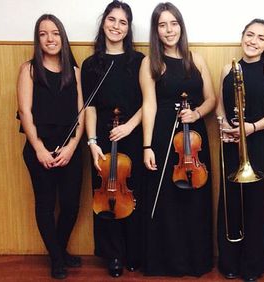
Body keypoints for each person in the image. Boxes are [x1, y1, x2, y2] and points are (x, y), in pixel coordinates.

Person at [139, 2, 216, 277]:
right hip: (163, 137)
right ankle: (166, 262)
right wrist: (147, 146)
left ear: (181, 27)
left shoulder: (196, 59)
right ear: (156, 31)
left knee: (194, 198)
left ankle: (196, 261)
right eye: (162, 25)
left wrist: (196, 113)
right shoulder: (150, 62)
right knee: (167, 201)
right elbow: (149, 105)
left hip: (193, 139)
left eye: (173, 23)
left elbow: (211, 100)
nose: (169, 30)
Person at [215, 19, 264, 282]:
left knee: (256, 204)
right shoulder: (226, 69)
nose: (253, 41)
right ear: (242, 36)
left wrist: (251, 127)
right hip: (231, 141)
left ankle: (252, 266)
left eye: (260, 38)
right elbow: (220, 106)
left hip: (259, 142)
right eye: (250, 35)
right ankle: (229, 262)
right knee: (230, 201)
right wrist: (224, 127)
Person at [17, 14, 84, 279]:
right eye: (43, 34)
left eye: (55, 33)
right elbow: (25, 112)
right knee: (45, 205)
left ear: (62, 36)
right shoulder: (30, 69)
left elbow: (82, 113)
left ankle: (59, 249)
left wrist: (71, 147)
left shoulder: (75, 71)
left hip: (70, 148)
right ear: (38, 39)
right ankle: (57, 259)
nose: (50, 38)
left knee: (70, 205)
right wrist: (40, 149)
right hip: (39, 149)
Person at [81, 1, 145, 278]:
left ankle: (134, 252)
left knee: (133, 193)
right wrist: (92, 142)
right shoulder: (91, 64)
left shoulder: (139, 61)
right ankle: (113, 255)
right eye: (112, 19)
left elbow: (149, 102)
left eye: (122, 22)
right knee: (106, 197)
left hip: (132, 134)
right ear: (103, 22)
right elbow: (90, 106)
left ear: (128, 28)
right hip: (103, 139)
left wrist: (130, 126)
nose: (116, 26)